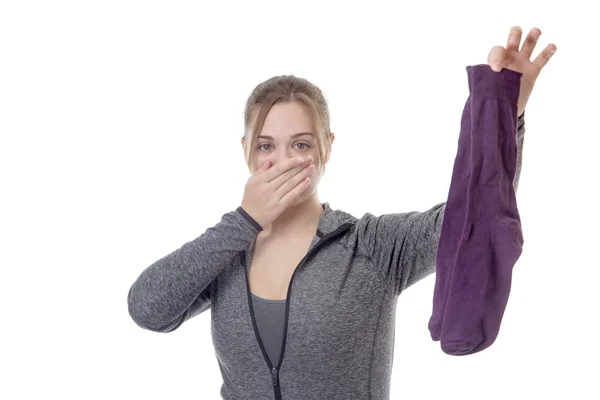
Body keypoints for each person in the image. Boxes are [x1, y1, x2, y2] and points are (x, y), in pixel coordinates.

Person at [128, 26, 556, 400]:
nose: (283, 161)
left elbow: (475, 216)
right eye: (265, 146)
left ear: (326, 147)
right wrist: (243, 221)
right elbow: (147, 309)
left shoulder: (372, 246)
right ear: (245, 150)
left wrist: (503, 113)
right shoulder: (227, 252)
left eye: (300, 144)